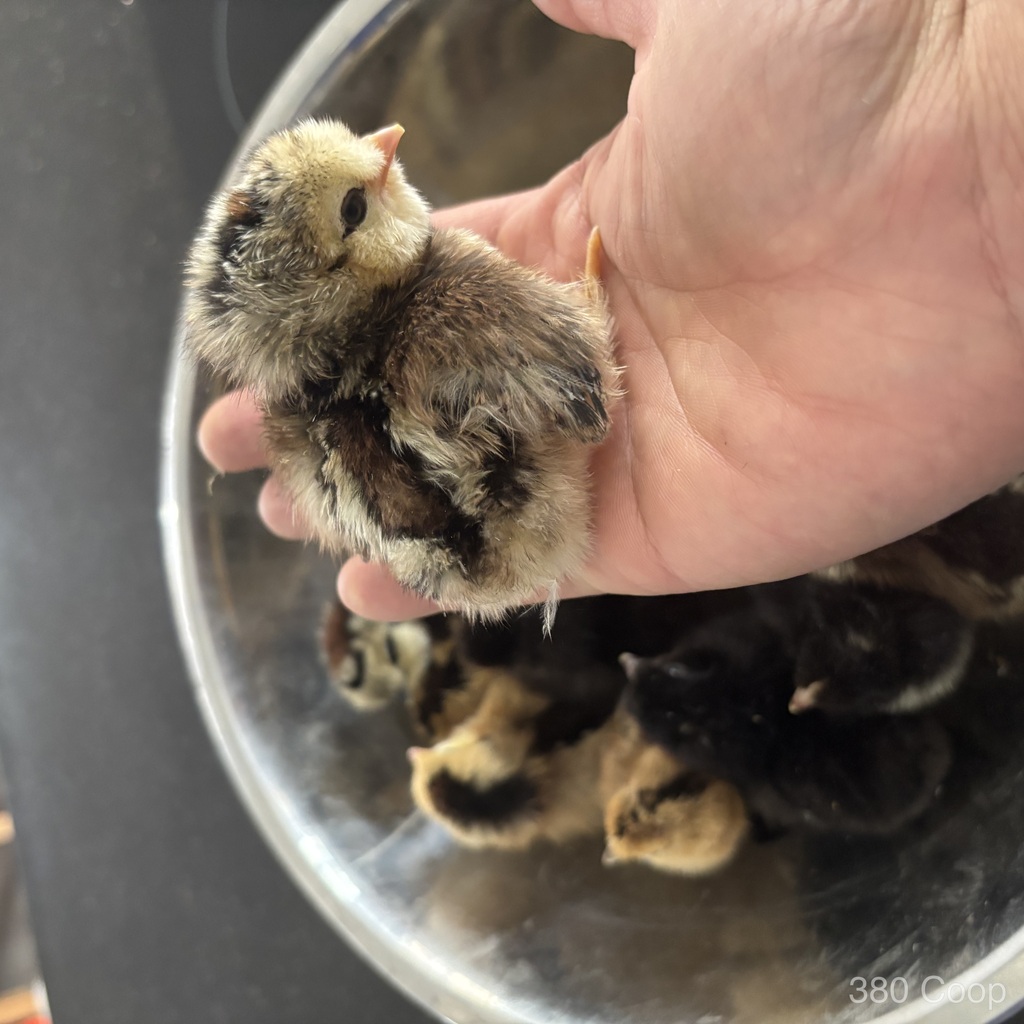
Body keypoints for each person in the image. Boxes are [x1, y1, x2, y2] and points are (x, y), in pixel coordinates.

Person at [198, 0, 1024, 623]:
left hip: (489, 561)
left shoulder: (307, 405)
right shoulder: (448, 305)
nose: (382, 145)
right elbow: (577, 390)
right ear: (337, 272)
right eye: (354, 204)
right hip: (518, 508)